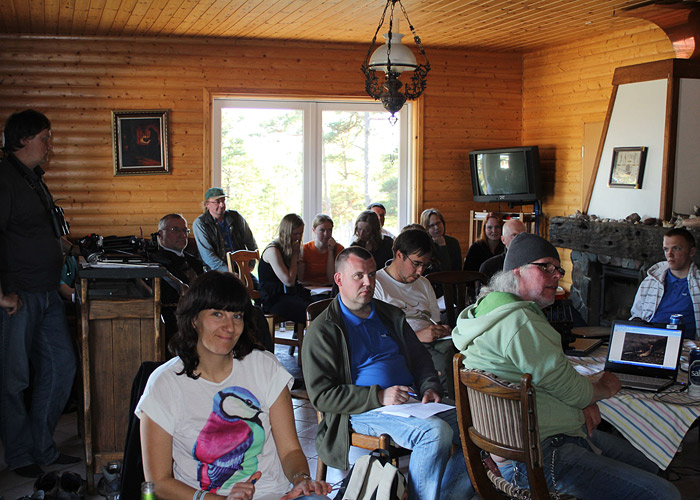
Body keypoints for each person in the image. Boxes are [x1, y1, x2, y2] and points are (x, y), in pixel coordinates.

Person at [452, 233, 680, 500]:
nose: (557, 275)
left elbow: (553, 381)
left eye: (558, 269)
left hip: (528, 439)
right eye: (545, 267)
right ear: (517, 271)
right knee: (664, 492)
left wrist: (582, 399)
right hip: (540, 455)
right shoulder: (521, 322)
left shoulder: (484, 311)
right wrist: (602, 388)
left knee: (648, 463)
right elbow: (574, 391)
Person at [136, 271, 331, 500]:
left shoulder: (264, 366)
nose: (229, 327)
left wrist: (301, 480)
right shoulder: (165, 384)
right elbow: (158, 481)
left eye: (236, 316)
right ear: (193, 319)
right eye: (217, 314)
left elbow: (290, 450)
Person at [302, 247, 474, 500]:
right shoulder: (324, 330)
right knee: (435, 433)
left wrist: (429, 386)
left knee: (479, 427)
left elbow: (420, 358)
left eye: (372, 275)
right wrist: (379, 396)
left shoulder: (389, 315)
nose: (368, 282)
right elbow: (323, 396)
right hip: (362, 410)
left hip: (410, 401)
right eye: (358, 276)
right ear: (339, 280)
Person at [0, 109, 79, 478]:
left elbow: (41, 232)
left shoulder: (32, 179)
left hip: (47, 292)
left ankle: (42, 446)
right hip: (18, 296)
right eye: (45, 138)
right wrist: (2, 293)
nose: (50, 146)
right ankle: (19, 455)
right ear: (22, 139)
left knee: (62, 367)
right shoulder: (4, 178)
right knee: (14, 380)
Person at [148, 213, 273, 352]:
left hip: (206, 308)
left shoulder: (193, 260)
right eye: (175, 230)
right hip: (181, 315)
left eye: (184, 230)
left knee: (254, 313)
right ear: (160, 234)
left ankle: (261, 361)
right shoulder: (155, 264)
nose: (182, 235)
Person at [373, 229, 454, 393]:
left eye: (425, 265)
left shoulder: (424, 284)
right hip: (401, 347)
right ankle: (450, 408)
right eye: (416, 264)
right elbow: (376, 338)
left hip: (433, 343)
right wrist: (417, 337)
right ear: (399, 255)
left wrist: (441, 330)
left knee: (466, 354)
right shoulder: (377, 285)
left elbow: (435, 322)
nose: (420, 271)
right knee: (445, 363)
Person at [631, 228, 700, 339]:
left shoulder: (697, 284)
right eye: (666, 249)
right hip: (649, 340)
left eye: (676, 249)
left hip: (685, 345)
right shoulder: (651, 281)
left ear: (691, 252)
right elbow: (636, 315)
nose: (669, 254)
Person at [259, 214, 312, 324]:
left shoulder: (290, 248)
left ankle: (303, 336)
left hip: (289, 294)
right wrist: (294, 255)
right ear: (287, 233)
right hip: (274, 299)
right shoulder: (273, 250)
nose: (298, 237)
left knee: (318, 304)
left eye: (300, 233)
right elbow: (289, 281)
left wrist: (299, 258)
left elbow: (299, 278)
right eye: (295, 234)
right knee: (309, 310)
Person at [193, 187, 257, 273]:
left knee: (256, 285)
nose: (222, 205)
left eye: (223, 201)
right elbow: (207, 255)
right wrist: (229, 272)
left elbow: (250, 241)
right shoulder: (201, 223)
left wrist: (251, 263)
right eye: (217, 202)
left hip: (240, 266)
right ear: (207, 204)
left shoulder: (236, 217)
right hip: (215, 271)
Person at [299, 214, 344, 286]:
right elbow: (300, 279)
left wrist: (330, 251)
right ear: (314, 230)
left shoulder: (339, 249)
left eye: (329, 230)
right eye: (322, 230)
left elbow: (331, 279)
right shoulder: (305, 249)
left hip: (330, 289)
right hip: (310, 289)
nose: (326, 234)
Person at [420, 208, 462, 273]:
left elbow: (454, 270)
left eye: (438, 223)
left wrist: (442, 245)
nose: (437, 228)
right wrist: (442, 247)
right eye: (432, 225)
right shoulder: (423, 244)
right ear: (426, 228)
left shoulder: (453, 242)